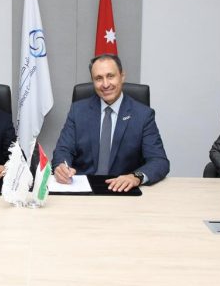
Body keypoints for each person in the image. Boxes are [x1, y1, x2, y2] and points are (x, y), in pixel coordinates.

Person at [52, 54, 170, 191]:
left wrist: (135, 177)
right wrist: (61, 167)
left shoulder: (143, 115)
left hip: (123, 190)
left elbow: (159, 161)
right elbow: (63, 150)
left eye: (110, 76)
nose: (105, 84)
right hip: (84, 189)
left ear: (122, 76)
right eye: (98, 78)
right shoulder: (78, 111)